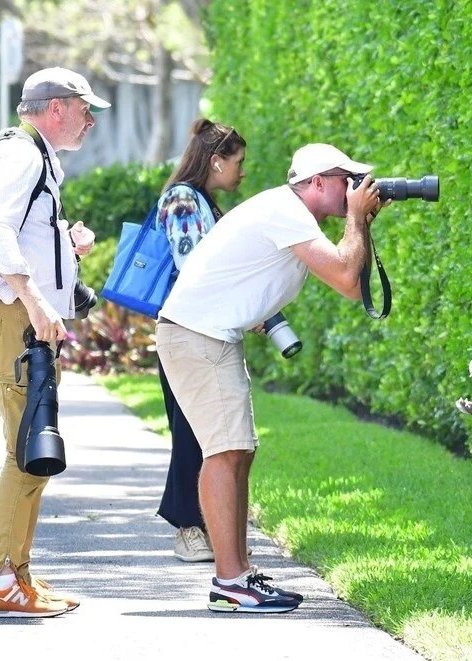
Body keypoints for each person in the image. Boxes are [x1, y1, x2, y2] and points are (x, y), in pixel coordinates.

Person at [156, 143, 384, 613]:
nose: (355, 190)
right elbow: (345, 279)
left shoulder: (287, 211)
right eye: (347, 180)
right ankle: (230, 582)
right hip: (199, 337)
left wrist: (358, 222)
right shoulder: (287, 210)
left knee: (238, 450)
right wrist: (356, 220)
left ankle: (237, 576)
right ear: (317, 182)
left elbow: (349, 273)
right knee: (225, 453)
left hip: (205, 335)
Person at [0, 67, 109, 618]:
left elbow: (16, 231)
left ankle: (17, 575)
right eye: (84, 109)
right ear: (56, 108)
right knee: (24, 449)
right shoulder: (23, 155)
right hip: (9, 318)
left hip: (18, 318)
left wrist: (66, 246)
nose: (89, 120)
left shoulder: (31, 154)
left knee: (32, 448)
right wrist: (37, 301)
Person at [155, 118, 247, 562]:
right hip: (186, 330)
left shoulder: (204, 202)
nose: (242, 172)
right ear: (215, 161)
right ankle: (187, 528)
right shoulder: (182, 199)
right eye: (238, 162)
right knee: (190, 433)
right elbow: (193, 263)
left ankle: (203, 526)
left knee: (206, 432)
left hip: (205, 329)